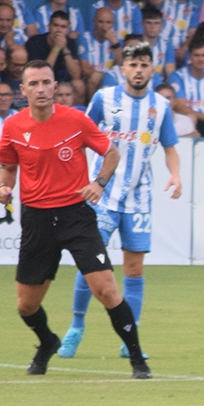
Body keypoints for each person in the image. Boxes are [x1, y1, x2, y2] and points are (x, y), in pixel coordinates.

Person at [0, 60, 149, 377]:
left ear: (55, 86)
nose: (41, 89)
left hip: (75, 216)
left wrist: (99, 183)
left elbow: (112, 153)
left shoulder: (76, 120)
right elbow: (8, 166)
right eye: (33, 84)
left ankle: (137, 360)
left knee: (106, 290)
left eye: (46, 82)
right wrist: (4, 186)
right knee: (26, 306)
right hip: (36, 220)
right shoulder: (12, 126)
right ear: (22, 90)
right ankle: (47, 341)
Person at [56, 40, 182, 361]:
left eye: (144, 65)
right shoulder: (104, 98)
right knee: (91, 265)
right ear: (122, 69)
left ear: (152, 69)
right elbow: (82, 137)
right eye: (133, 65)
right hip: (103, 195)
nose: (138, 70)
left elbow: (169, 147)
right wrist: (80, 177)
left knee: (134, 269)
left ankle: (130, 338)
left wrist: (176, 175)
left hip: (139, 198)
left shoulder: (161, 107)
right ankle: (76, 327)